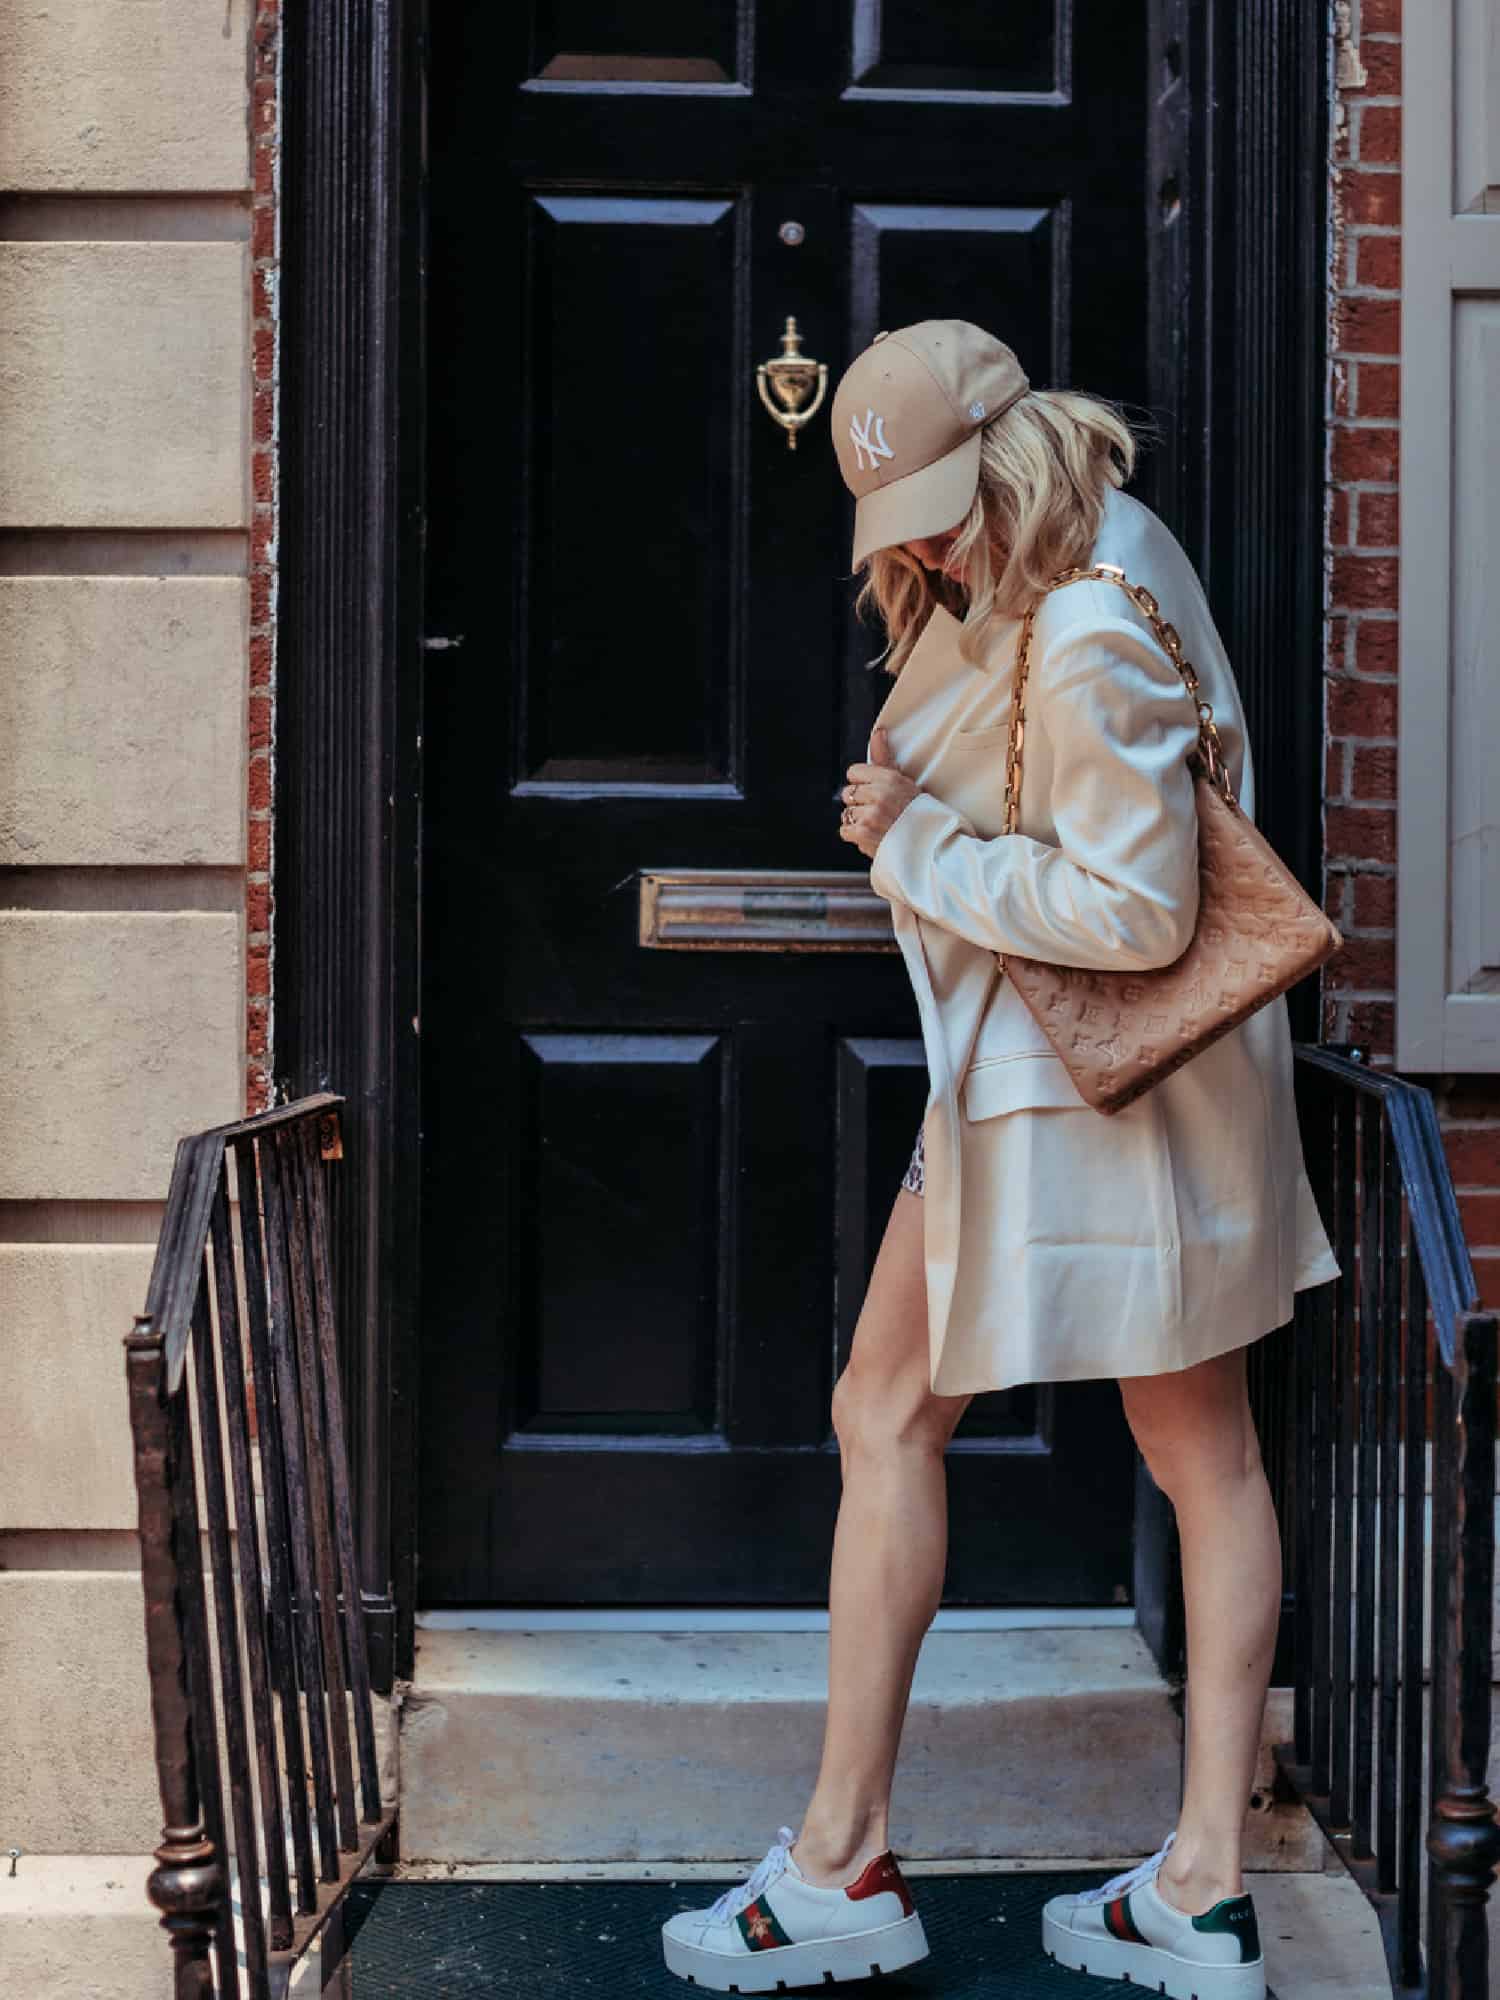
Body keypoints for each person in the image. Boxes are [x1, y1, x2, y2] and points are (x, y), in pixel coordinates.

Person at [659, 321, 1340, 2000]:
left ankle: (864, 1864)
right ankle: (1166, 1882)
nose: (936, 551)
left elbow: (1140, 911)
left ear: (1017, 448)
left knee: (1025, 1433)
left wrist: (924, 845)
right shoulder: (1103, 547)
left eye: (949, 514)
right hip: (1090, 1098)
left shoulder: (1090, 620)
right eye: (916, 529)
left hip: (1102, 1096)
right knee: (1099, 1445)